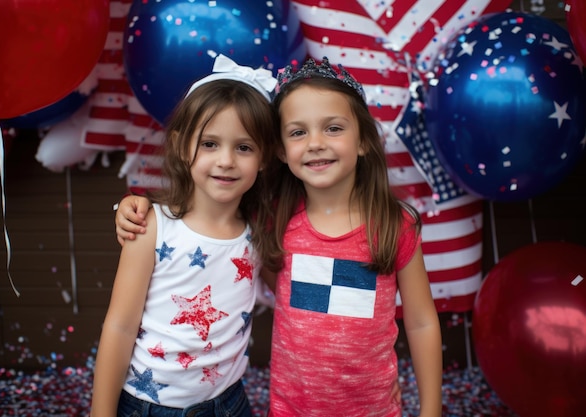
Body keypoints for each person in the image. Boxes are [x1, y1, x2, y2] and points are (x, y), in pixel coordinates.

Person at [115, 57, 443, 417]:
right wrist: (132, 205)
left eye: (333, 128)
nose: (316, 143)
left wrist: (431, 409)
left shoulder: (396, 226)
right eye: (298, 132)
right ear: (281, 152)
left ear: (364, 140)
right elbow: (206, 213)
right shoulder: (273, 224)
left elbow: (422, 321)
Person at [90, 54, 278, 417]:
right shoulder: (152, 227)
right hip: (150, 406)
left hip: (229, 404)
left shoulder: (257, 234)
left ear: (265, 157)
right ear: (180, 145)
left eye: (244, 147)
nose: (226, 160)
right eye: (210, 144)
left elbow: (291, 295)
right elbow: (120, 326)